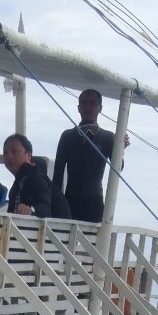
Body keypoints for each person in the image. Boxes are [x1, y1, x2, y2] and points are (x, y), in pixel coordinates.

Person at [51, 88, 114, 224]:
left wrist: (121, 148)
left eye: (93, 103)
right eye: (84, 103)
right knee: (65, 242)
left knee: (93, 243)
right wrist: (57, 203)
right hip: (70, 201)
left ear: (100, 108)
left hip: (94, 202)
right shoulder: (67, 136)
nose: (88, 107)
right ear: (79, 108)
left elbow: (118, 166)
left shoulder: (108, 137)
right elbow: (58, 174)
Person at [1, 133, 55, 218]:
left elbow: (46, 208)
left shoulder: (37, 178)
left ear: (28, 155)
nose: (9, 156)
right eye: (5, 153)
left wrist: (31, 210)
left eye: (14, 152)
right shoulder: (17, 185)